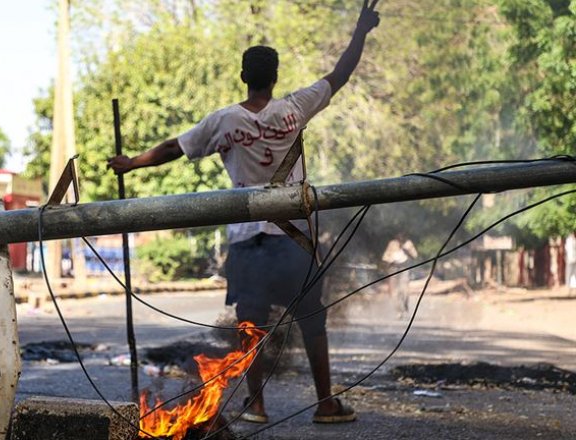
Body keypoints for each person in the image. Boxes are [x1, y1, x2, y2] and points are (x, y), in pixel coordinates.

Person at [108, 0, 382, 425]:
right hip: (293, 239)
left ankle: (256, 404)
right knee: (312, 321)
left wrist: (131, 163)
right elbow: (340, 74)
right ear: (275, 78)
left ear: (243, 77)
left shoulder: (224, 121)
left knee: (250, 324)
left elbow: (173, 148)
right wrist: (361, 30)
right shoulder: (295, 108)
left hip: (247, 242)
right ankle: (326, 404)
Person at [382, 233, 419, 315]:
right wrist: (388, 262)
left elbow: (415, 255)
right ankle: (398, 310)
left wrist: (406, 250)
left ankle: (405, 304)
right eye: (399, 237)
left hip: (404, 268)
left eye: (402, 237)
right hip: (393, 268)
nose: (400, 239)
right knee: (395, 292)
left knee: (404, 289)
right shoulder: (392, 244)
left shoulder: (408, 244)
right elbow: (386, 256)